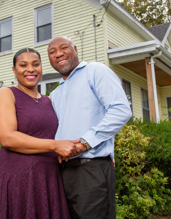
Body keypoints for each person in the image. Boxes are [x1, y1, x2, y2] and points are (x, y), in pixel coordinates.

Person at [0, 48, 77, 219]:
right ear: (14, 70)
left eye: (36, 64)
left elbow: (72, 127)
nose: (30, 69)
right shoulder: (7, 94)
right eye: (23, 65)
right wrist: (55, 145)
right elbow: (8, 138)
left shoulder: (49, 100)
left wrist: (103, 149)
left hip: (49, 179)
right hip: (18, 179)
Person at [47, 36, 132, 219]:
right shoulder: (55, 93)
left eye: (63, 48)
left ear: (75, 49)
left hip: (91, 170)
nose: (58, 54)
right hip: (62, 173)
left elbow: (120, 110)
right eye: (52, 52)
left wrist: (86, 142)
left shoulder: (95, 71)